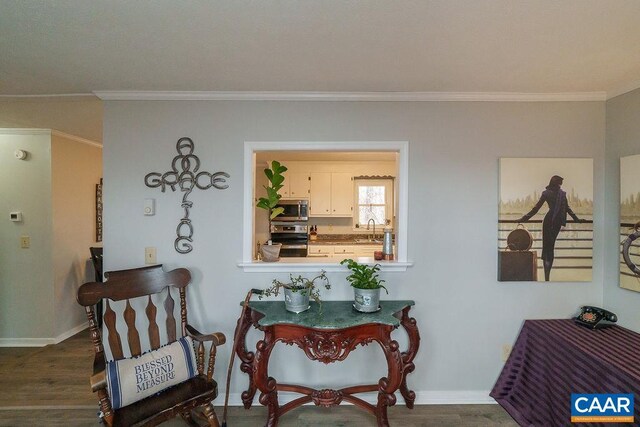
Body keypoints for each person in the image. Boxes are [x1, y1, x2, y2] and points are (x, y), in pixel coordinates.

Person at [517, 175, 583, 281]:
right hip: (550, 222)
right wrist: (525, 218)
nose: (560, 186)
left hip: (553, 223)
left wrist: (576, 219)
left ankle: (547, 276)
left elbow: (567, 208)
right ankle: (547, 276)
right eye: (559, 184)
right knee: (548, 248)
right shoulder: (549, 193)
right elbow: (536, 208)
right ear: (555, 183)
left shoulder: (558, 193)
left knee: (549, 248)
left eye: (560, 184)